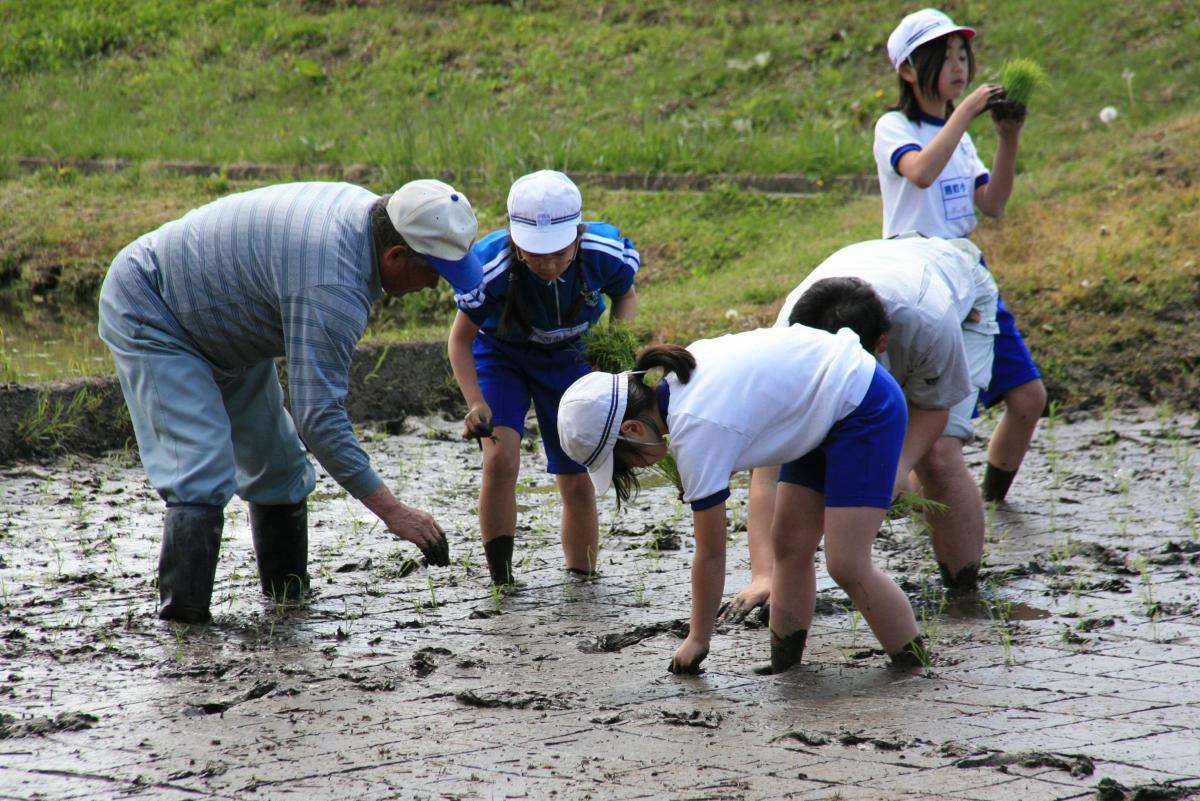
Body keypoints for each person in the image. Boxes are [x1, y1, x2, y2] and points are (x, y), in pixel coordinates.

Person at [98, 179, 481, 624]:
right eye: (434, 270)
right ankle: (186, 632)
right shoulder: (332, 283)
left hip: (227, 325)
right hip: (156, 309)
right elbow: (319, 418)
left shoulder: (370, 216)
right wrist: (394, 512)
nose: (436, 284)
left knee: (279, 467)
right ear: (395, 256)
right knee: (199, 468)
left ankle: (287, 607)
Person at [557, 326, 927, 675]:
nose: (634, 469)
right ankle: (786, 667)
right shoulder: (680, 383)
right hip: (821, 405)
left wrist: (698, 639)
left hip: (861, 402)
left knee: (847, 563)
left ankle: (915, 669)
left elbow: (712, 552)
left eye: (625, 463)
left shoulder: (695, 428)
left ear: (633, 430)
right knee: (789, 545)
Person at [720, 236, 1000, 624]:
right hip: (877, 270)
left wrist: (899, 466)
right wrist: (764, 575)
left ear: (880, 344)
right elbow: (770, 465)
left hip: (959, 291)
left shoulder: (930, 322)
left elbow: (934, 407)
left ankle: (963, 589)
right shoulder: (789, 336)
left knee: (937, 455)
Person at [874, 8, 1046, 504]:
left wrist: (1007, 138)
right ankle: (904, 495)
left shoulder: (962, 135)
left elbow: (992, 204)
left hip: (969, 274)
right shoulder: (894, 126)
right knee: (924, 415)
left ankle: (992, 505)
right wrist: (967, 111)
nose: (957, 65)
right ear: (908, 70)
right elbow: (921, 172)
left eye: (961, 54)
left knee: (1028, 398)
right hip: (918, 278)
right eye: (941, 56)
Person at [448, 170, 638, 587]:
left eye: (559, 253)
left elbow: (624, 294)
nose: (549, 265)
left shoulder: (604, 252)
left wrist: (617, 352)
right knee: (500, 460)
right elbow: (459, 341)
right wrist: (476, 402)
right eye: (536, 254)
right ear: (516, 240)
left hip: (572, 359)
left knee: (577, 471)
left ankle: (582, 581)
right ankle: (501, 579)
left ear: (578, 235)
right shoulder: (488, 268)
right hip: (503, 358)